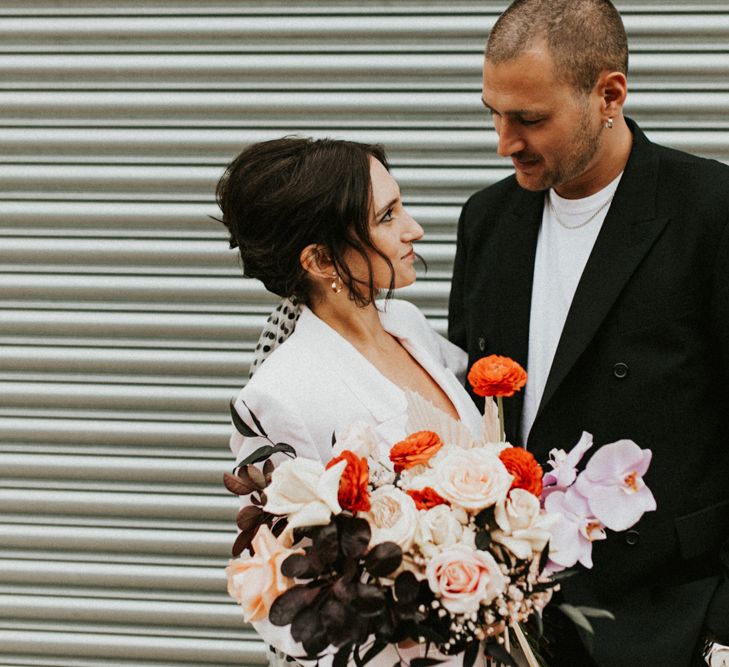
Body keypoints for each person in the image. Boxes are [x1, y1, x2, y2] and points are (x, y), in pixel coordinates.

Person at [448, 0, 729, 665]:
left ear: (608, 94)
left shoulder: (707, 211)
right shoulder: (485, 221)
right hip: (521, 620)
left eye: (529, 119)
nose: (503, 141)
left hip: (671, 615)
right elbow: (474, 420)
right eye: (493, 111)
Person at [217, 136, 484, 665]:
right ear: (319, 259)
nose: (414, 230)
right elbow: (298, 607)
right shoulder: (280, 396)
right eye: (388, 217)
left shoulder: (408, 326)